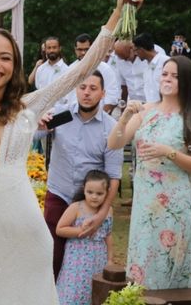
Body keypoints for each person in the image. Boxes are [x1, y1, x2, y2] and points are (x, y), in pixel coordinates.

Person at [0, 0, 144, 304]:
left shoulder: (27, 107)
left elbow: (82, 69)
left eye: (5, 57)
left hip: (29, 236)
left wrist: (118, 12)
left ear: (14, 66)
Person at [108, 56, 191, 289]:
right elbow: (113, 143)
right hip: (146, 204)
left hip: (178, 204)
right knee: (144, 265)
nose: (167, 79)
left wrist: (169, 152)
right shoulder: (146, 111)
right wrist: (124, 117)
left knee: (173, 266)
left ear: (186, 81)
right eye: (165, 74)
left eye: (175, 76)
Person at [38, 71, 121, 279]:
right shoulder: (60, 114)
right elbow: (33, 135)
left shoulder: (111, 128)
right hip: (59, 192)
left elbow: (114, 176)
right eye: (82, 87)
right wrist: (39, 125)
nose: (86, 93)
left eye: (93, 89)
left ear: (103, 93)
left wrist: (101, 213)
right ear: (75, 90)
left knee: (83, 263)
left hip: (89, 202)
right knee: (50, 257)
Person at [56, 170, 114, 305]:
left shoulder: (108, 210)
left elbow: (108, 235)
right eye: (90, 192)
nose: (94, 197)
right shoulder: (76, 207)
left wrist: (110, 259)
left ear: (107, 192)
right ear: (84, 190)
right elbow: (60, 229)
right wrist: (80, 230)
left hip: (99, 257)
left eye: (99, 193)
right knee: (75, 290)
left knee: (94, 289)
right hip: (77, 259)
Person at [64, 33, 120, 113]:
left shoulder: (105, 69)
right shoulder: (70, 70)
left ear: (93, 48)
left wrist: (99, 116)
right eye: (80, 50)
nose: (83, 53)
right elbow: (66, 99)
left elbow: (112, 98)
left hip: (99, 117)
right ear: (75, 50)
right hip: (73, 117)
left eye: (87, 49)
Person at [132, 32, 169, 103]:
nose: (135, 54)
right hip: (151, 109)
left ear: (141, 49)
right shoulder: (146, 66)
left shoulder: (166, 62)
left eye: (135, 50)